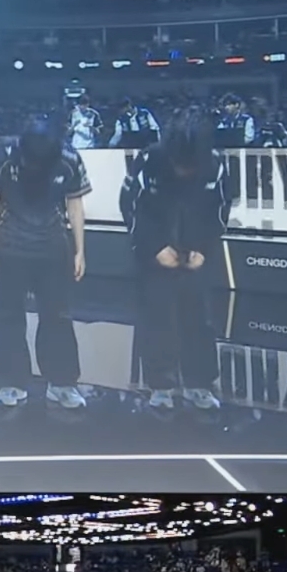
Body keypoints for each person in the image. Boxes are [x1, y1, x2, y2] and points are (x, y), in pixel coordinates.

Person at [0, 116, 92, 410]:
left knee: (57, 315)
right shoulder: (1, 155)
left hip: (52, 243)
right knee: (9, 314)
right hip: (11, 242)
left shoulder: (68, 158)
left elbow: (75, 204)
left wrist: (80, 251)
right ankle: (12, 381)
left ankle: (62, 383)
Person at [120, 114, 231, 410]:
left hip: (196, 253)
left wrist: (203, 249)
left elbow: (221, 210)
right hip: (154, 252)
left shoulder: (215, 164)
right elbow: (130, 205)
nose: (185, 171)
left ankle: (200, 384)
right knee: (157, 318)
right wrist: (154, 248)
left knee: (200, 320)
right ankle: (161, 385)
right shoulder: (149, 160)